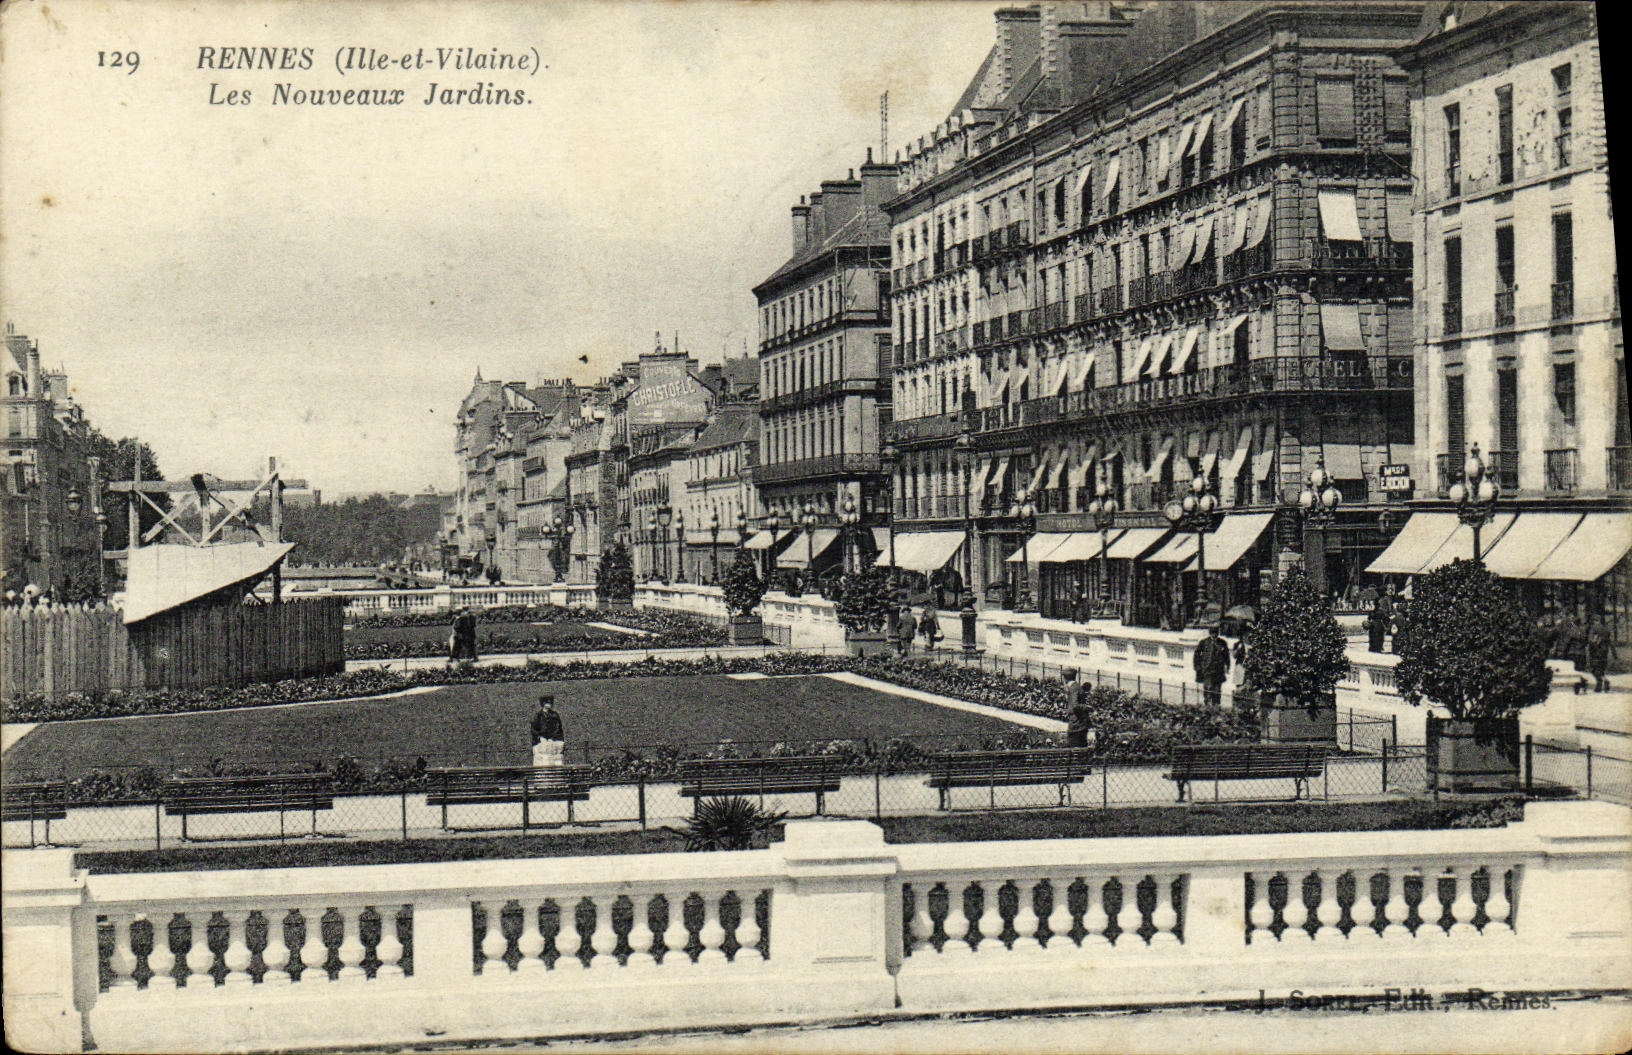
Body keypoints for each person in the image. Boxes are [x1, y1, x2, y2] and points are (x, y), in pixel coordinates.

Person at [1192, 624, 1231, 708]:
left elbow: (1226, 656)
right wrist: (1197, 667)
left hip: (1218, 671)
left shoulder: (1222, 642)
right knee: (1208, 689)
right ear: (1210, 633)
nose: (1214, 634)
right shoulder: (1204, 642)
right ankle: (1208, 706)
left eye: (1216, 633)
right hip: (1207, 670)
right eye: (1212, 633)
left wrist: (1227, 666)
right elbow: (1197, 654)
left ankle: (1216, 706)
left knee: (1217, 690)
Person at [530, 695, 565, 767]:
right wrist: (540, 737)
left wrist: (552, 738)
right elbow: (534, 729)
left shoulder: (554, 715)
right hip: (541, 741)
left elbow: (558, 728)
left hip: (553, 741)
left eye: (550, 702)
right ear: (543, 704)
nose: (550, 704)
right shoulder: (538, 715)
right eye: (548, 703)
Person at [1064, 670, 1095, 749]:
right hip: (1079, 723)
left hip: (1077, 724)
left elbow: (1075, 706)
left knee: (1075, 747)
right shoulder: (1075, 687)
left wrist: (1087, 707)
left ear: (1065, 678)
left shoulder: (1074, 688)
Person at [1586, 618, 1611, 693]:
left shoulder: (1594, 628)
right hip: (1604, 652)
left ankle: (1599, 684)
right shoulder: (1607, 629)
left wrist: (1590, 649)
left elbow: (1591, 640)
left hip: (1596, 652)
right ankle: (1605, 680)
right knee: (1602, 668)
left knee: (1594, 668)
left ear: (1595, 620)